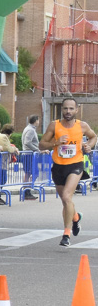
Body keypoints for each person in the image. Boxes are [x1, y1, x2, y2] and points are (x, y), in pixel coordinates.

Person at [38, 97, 96, 247]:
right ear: (61, 110)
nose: (68, 111)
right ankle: (75, 218)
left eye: (71, 109)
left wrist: (89, 146)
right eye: (65, 108)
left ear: (77, 110)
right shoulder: (54, 126)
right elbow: (41, 144)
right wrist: (56, 143)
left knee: (66, 196)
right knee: (65, 201)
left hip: (75, 165)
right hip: (59, 166)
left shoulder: (82, 126)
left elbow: (93, 136)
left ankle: (66, 235)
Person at [21, 114, 41, 200]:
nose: (39, 122)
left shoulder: (29, 129)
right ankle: (26, 190)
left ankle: (27, 189)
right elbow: (27, 142)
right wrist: (37, 149)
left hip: (28, 154)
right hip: (28, 154)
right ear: (36, 121)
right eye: (38, 120)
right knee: (30, 173)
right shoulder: (31, 130)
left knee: (29, 173)